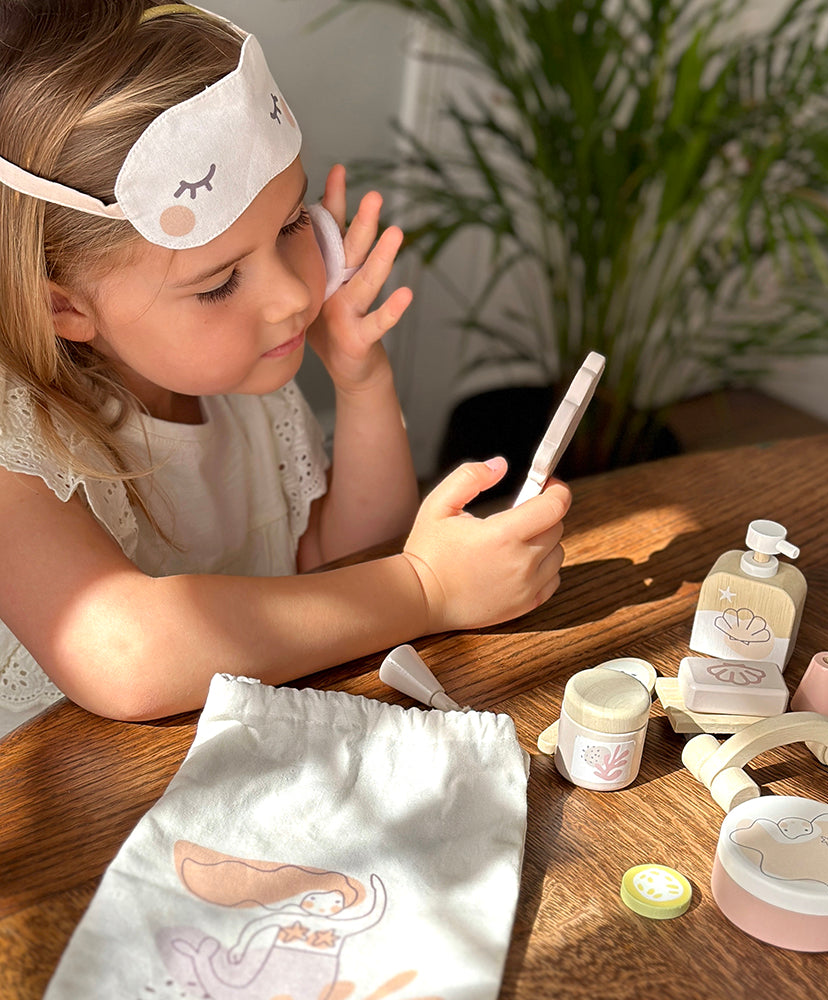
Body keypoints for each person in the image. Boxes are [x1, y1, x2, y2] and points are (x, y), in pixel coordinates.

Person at [0, 1, 569, 738]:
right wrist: (424, 588)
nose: (294, 296)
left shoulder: (237, 384)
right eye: (219, 283)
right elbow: (125, 653)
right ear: (64, 306)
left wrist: (362, 382)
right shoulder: (21, 448)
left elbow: (339, 561)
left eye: (294, 223)